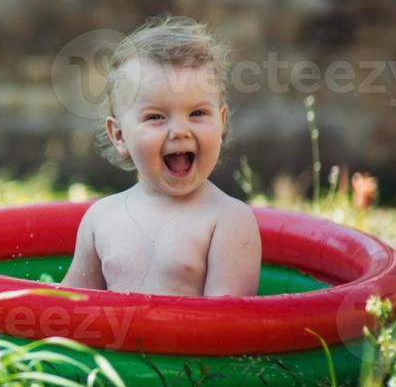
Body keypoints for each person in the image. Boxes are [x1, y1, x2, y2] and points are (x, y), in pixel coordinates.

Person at [60, 16, 261, 297]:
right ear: (119, 136)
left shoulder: (227, 221)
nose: (179, 131)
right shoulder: (100, 219)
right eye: (155, 117)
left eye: (198, 113)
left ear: (222, 122)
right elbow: (68, 306)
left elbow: (227, 328)